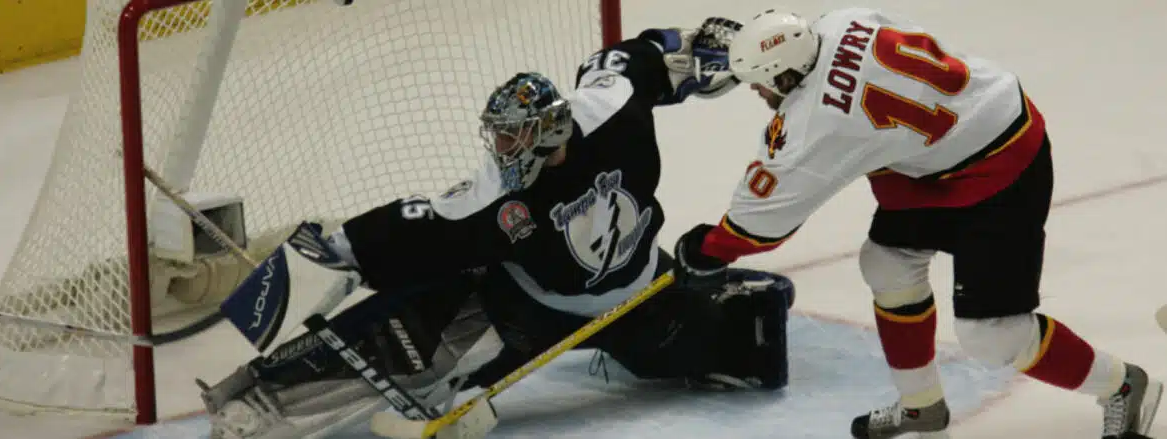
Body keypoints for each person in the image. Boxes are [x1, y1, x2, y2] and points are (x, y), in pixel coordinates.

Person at [198, 17, 795, 439]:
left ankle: (703, 307)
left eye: (513, 134)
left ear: (547, 129)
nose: (502, 146)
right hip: (531, 312)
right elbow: (415, 223)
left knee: (745, 358)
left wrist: (713, 50)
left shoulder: (611, 106)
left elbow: (653, 56)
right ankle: (262, 395)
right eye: (499, 134)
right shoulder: (494, 197)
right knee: (415, 338)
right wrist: (336, 251)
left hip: (639, 292)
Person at [669, 7, 1163, 439]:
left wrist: (707, 250)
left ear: (783, 76)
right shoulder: (844, 19)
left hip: (1003, 173)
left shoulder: (817, 124)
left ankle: (1122, 383)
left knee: (994, 336)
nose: (758, 93)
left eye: (760, 84)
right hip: (965, 134)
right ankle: (921, 405)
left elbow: (761, 225)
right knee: (885, 264)